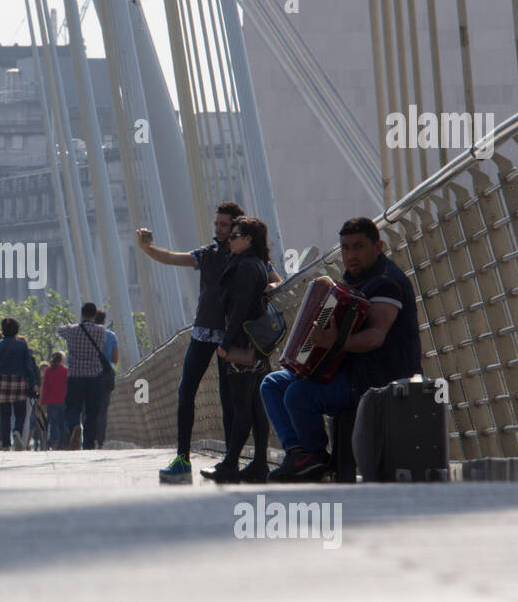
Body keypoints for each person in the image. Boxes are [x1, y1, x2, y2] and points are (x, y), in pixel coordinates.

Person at [261, 216, 422, 482]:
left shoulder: (387, 282)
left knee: (299, 394)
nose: (350, 255)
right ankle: (299, 454)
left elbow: (376, 337)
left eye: (358, 247)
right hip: (348, 370)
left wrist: (335, 342)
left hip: (376, 377)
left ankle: (316, 458)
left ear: (378, 247)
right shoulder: (353, 280)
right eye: (345, 248)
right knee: (273, 384)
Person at [137, 202, 283, 482]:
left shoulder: (249, 258)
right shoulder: (210, 254)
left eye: (225, 226)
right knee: (186, 391)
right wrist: (147, 249)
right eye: (217, 225)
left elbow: (276, 281)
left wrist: (272, 287)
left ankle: (231, 462)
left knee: (233, 401)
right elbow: (171, 257)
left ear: (238, 229)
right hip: (204, 333)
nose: (220, 231)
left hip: (233, 337)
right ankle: (183, 458)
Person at [206, 217, 274, 484]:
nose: (229, 240)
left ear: (248, 239)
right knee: (255, 405)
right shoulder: (256, 264)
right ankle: (258, 464)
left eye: (235, 236)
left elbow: (240, 308)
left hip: (242, 344)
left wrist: (226, 343)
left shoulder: (246, 266)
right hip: (256, 343)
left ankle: (231, 465)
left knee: (241, 406)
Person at [57, 302, 110, 450]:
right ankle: (89, 443)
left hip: (75, 375)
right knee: (92, 411)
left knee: (73, 407)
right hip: (94, 376)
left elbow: (59, 329)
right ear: (95, 315)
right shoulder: (101, 331)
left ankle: (74, 426)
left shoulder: (72, 330)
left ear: (82, 314)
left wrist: (73, 325)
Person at [0, 317, 40, 450]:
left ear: (3, 330)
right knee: (20, 412)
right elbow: (29, 366)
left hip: (2, 381)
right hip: (20, 381)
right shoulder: (22, 345)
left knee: (4, 414)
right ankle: (17, 432)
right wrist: (33, 383)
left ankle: (6, 443)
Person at [93, 310, 120, 447]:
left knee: (89, 407)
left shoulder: (86, 335)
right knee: (103, 409)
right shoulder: (111, 335)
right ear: (104, 321)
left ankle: (89, 437)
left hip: (90, 375)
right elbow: (115, 360)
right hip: (106, 376)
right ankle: (100, 440)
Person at [41, 351, 69, 449]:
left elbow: (45, 386)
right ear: (62, 359)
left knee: (53, 422)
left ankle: (54, 441)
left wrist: (43, 400)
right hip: (63, 400)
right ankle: (62, 443)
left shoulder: (48, 370)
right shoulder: (65, 370)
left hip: (51, 401)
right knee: (63, 422)